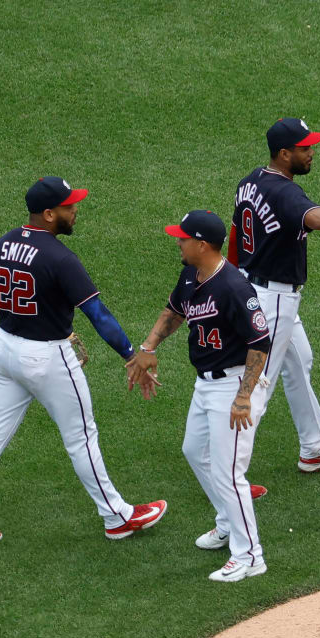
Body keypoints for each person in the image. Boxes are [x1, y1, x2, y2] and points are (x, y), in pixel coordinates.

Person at [0, 176, 166, 549]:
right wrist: (131, 354)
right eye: (69, 206)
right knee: (81, 437)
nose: (75, 211)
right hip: (45, 357)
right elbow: (97, 313)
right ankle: (118, 517)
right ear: (49, 214)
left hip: (3, 348)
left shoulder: (4, 242)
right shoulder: (61, 257)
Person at [128, 210, 273, 582]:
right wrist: (149, 346)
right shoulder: (191, 274)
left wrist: (244, 398)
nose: (177, 242)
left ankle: (250, 555)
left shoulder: (235, 288)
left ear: (202, 244)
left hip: (235, 384)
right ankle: (227, 521)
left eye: (182, 238)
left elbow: (260, 344)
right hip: (205, 383)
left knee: (229, 472)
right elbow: (175, 311)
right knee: (195, 451)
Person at [229, 118, 320, 475]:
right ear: (284, 153)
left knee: (299, 360)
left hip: (252, 286)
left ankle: (314, 447)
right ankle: (230, 475)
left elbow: (234, 236)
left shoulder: (251, 181)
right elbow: (319, 219)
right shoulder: (285, 192)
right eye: (305, 149)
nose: (312, 153)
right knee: (256, 385)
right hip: (272, 299)